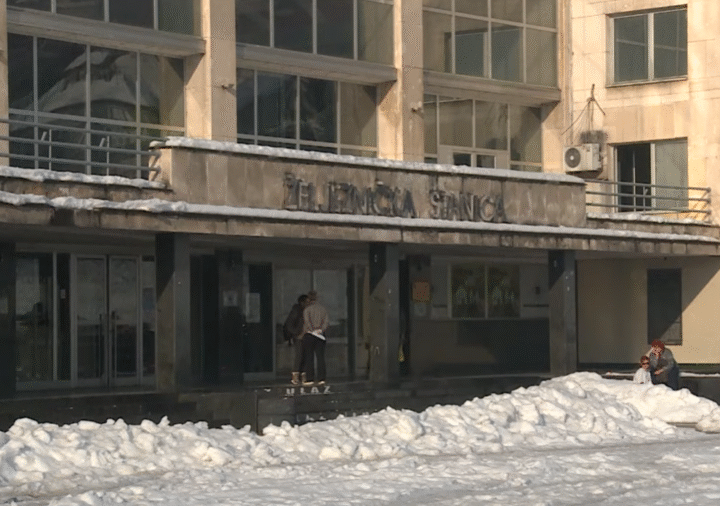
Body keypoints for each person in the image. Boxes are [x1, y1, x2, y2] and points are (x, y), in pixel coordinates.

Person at [301, 290, 329, 386]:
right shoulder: (323, 309)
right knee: (320, 357)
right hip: (320, 335)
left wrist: (312, 330)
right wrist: (320, 330)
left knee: (309, 357)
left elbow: (307, 322)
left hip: (309, 334)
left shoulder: (307, 310)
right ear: (317, 298)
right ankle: (322, 378)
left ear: (308, 299)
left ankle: (310, 378)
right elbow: (326, 322)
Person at [283, 294, 309, 385]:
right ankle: (296, 375)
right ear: (302, 302)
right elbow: (289, 325)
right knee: (299, 355)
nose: (308, 304)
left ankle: (303, 375)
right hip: (298, 337)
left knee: (306, 355)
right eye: (307, 302)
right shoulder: (296, 311)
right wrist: (297, 333)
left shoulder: (306, 311)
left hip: (306, 336)